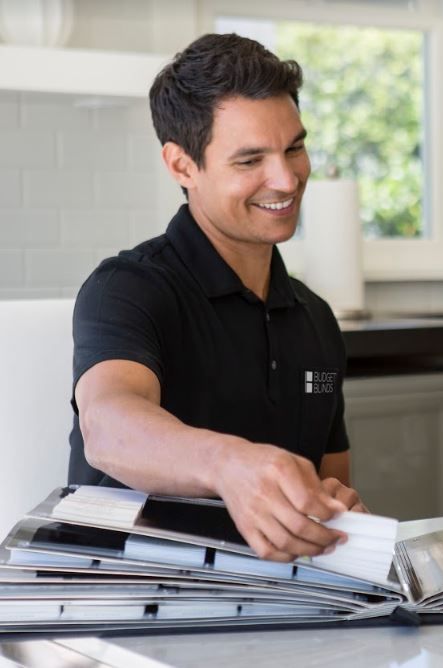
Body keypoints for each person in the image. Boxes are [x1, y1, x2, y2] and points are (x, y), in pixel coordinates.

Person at [69, 33, 366, 563]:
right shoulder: (128, 289)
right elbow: (108, 426)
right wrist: (229, 464)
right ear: (183, 166)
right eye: (250, 160)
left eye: (294, 147)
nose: (286, 178)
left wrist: (331, 512)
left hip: (273, 604)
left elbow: (330, 479)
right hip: (122, 599)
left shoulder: (316, 323)